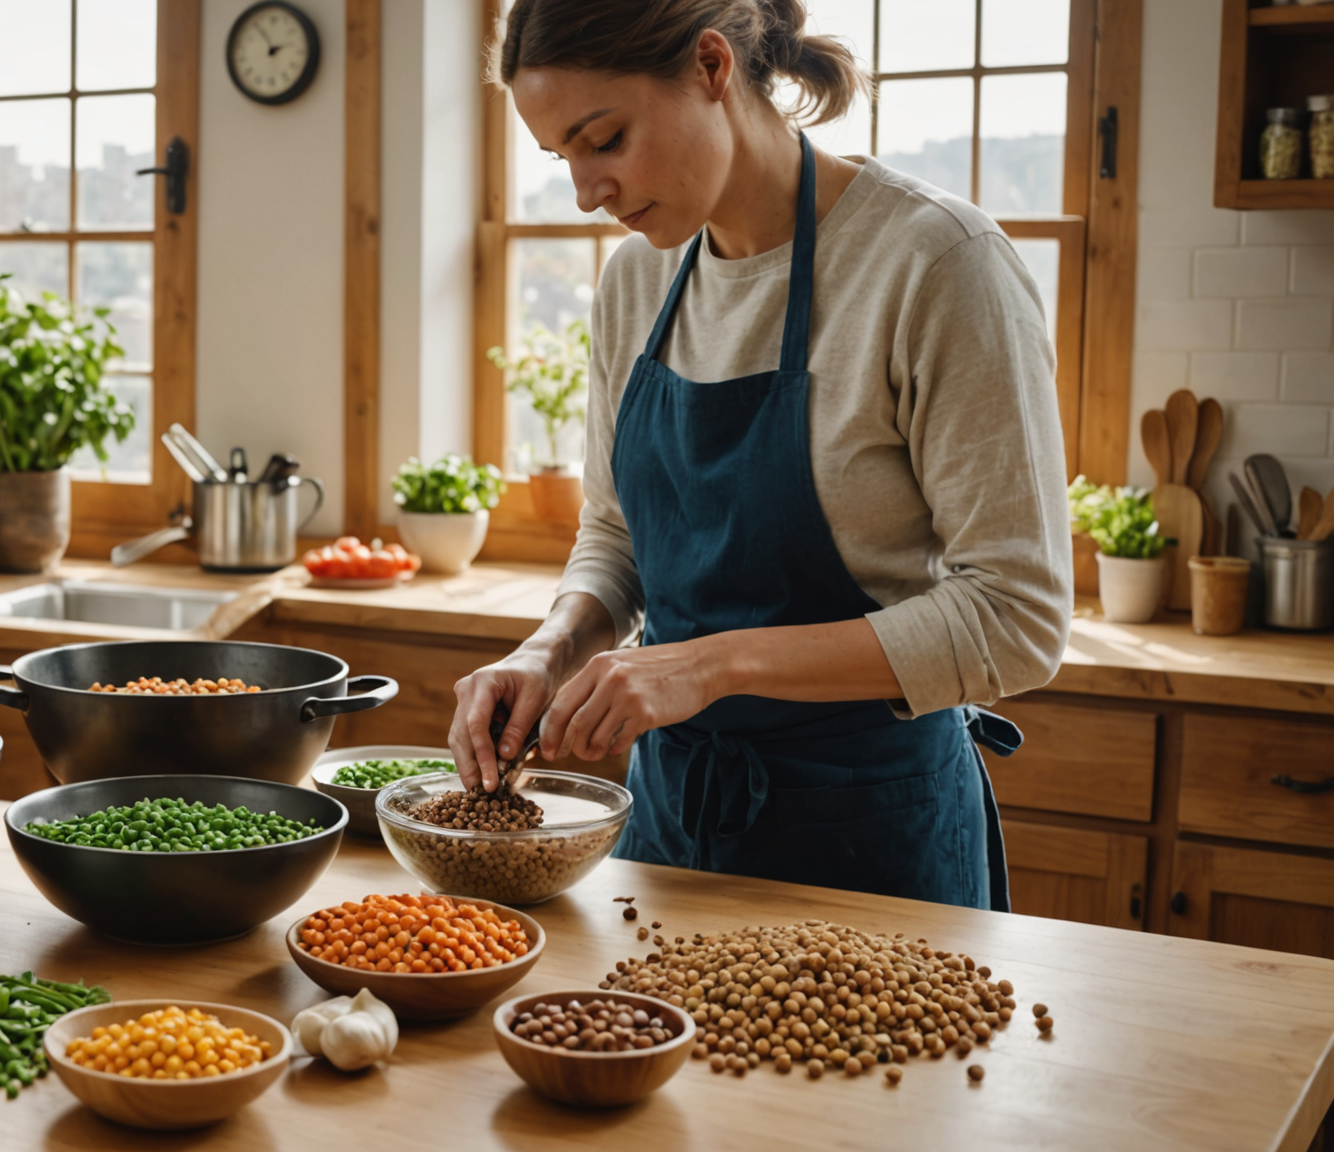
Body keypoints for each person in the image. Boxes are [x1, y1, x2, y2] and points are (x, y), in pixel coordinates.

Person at [447, 0, 1071, 909]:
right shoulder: (638, 279)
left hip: (872, 841)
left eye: (606, 139)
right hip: (670, 830)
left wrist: (711, 664)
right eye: (561, 159)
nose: (587, 191)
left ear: (710, 68)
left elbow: (1016, 616)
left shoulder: (935, 263)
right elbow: (618, 534)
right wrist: (552, 650)